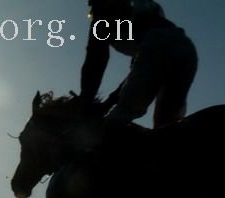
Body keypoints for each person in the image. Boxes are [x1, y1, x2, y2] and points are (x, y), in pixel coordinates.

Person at [80, 0, 198, 129]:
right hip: (187, 50)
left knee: (117, 120)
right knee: (166, 125)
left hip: (159, 45)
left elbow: (96, 59)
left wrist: (85, 103)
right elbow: (135, 77)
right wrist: (108, 103)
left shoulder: (104, 17)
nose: (93, 14)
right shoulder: (146, 34)